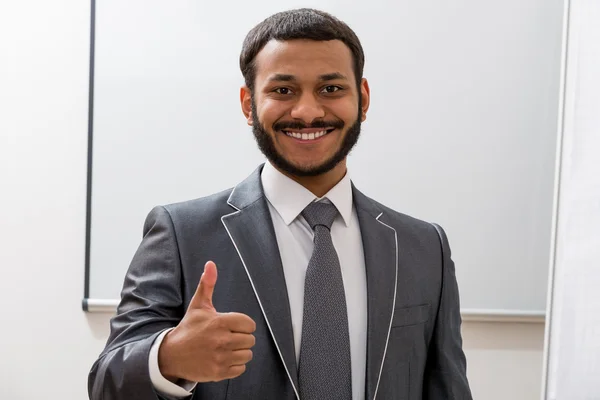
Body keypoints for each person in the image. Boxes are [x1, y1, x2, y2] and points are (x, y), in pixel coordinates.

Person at [88, 8, 472, 400]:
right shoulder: (181, 233)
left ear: (364, 98)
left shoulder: (424, 247)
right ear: (248, 104)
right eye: (283, 90)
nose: (307, 111)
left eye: (331, 89)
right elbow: (106, 383)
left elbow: (448, 387)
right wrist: (167, 358)